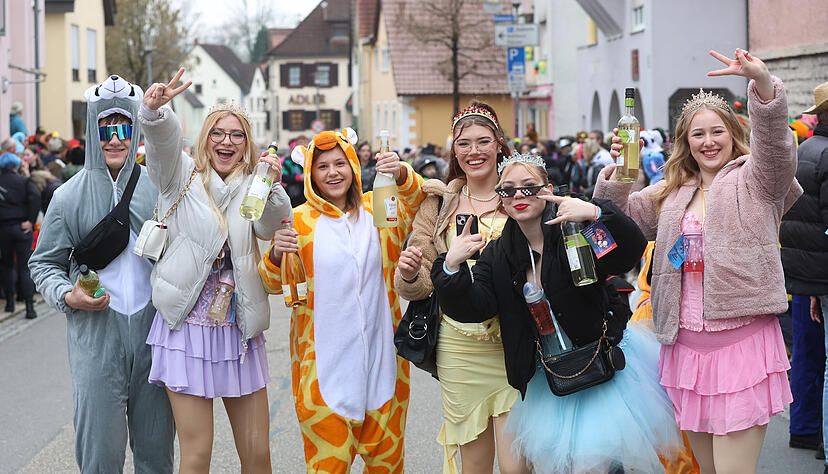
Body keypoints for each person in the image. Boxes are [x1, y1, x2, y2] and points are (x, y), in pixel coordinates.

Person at [594, 49, 801, 474]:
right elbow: (615, 227)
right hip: (686, 350)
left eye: (717, 131)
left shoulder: (758, 179)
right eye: (697, 134)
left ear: (733, 133)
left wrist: (763, 84)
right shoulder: (672, 192)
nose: (708, 142)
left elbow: (777, 149)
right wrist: (621, 172)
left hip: (742, 346)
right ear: (684, 142)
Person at [431, 154, 681, 473]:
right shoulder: (497, 254)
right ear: (501, 199)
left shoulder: (575, 227)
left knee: (595, 466)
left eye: (528, 187)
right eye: (508, 190)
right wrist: (451, 267)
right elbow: (475, 307)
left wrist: (596, 213)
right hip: (549, 379)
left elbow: (625, 256)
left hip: (600, 368)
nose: (518, 196)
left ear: (548, 190)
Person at [140, 69, 291, 473]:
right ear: (205, 138)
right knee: (197, 454)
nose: (227, 142)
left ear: (248, 143)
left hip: (238, 331)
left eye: (237, 135)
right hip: (186, 330)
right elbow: (162, 145)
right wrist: (156, 113)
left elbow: (272, 227)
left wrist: (273, 186)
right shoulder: (179, 175)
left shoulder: (254, 185)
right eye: (218, 133)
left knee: (257, 454)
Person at [29, 74, 175, 473]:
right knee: (99, 458)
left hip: (154, 340)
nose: (114, 139)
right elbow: (43, 262)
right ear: (92, 132)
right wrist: (67, 295)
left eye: (123, 128)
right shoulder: (67, 196)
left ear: (135, 131)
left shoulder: (158, 188)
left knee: (156, 456)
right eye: (105, 129)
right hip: (95, 344)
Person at [258, 127, 424, 472]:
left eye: (339, 163)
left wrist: (401, 172)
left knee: (388, 467)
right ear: (310, 173)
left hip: (384, 367)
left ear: (353, 165)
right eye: (322, 166)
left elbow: (419, 202)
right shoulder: (299, 221)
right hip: (324, 374)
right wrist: (274, 255)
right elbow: (272, 283)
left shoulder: (379, 208)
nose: (332, 173)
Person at [395, 102, 525, 474]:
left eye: (483, 141)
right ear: (454, 150)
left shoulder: (519, 196)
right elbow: (421, 283)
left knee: (517, 467)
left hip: (513, 345)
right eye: (464, 143)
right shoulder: (438, 203)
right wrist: (409, 273)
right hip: (459, 349)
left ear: (499, 144)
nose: (474, 151)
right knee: (475, 465)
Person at [0, 153, 39, 318]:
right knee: (24, 267)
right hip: (22, 227)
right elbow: (35, 198)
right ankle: (29, 307)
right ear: (16, 166)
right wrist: (31, 220)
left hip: (3, 228)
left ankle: (10, 303)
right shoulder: (24, 181)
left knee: (7, 265)